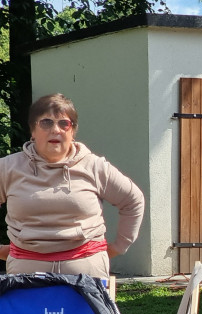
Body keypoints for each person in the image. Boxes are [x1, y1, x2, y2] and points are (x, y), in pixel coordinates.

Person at [0, 94, 144, 278]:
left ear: (72, 131)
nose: (55, 130)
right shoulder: (7, 168)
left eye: (64, 124)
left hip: (87, 271)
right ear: (33, 130)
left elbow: (133, 200)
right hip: (25, 273)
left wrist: (119, 246)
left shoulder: (94, 166)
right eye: (46, 122)